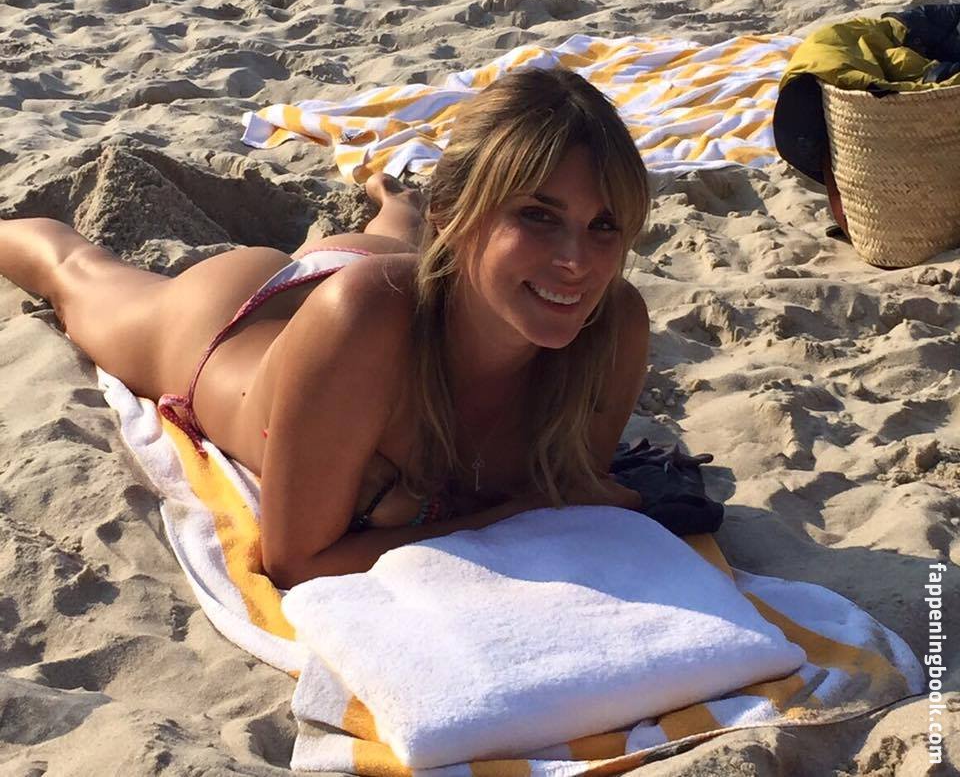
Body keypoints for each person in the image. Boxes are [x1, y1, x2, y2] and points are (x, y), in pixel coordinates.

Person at [0, 67, 652, 586]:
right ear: (456, 211)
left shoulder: (612, 328)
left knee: (406, 248)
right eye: (538, 215)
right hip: (235, 323)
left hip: (413, 280)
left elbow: (573, 499)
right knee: (75, 274)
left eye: (604, 225)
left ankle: (399, 205)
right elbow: (296, 563)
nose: (577, 262)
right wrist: (513, 514)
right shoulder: (364, 321)